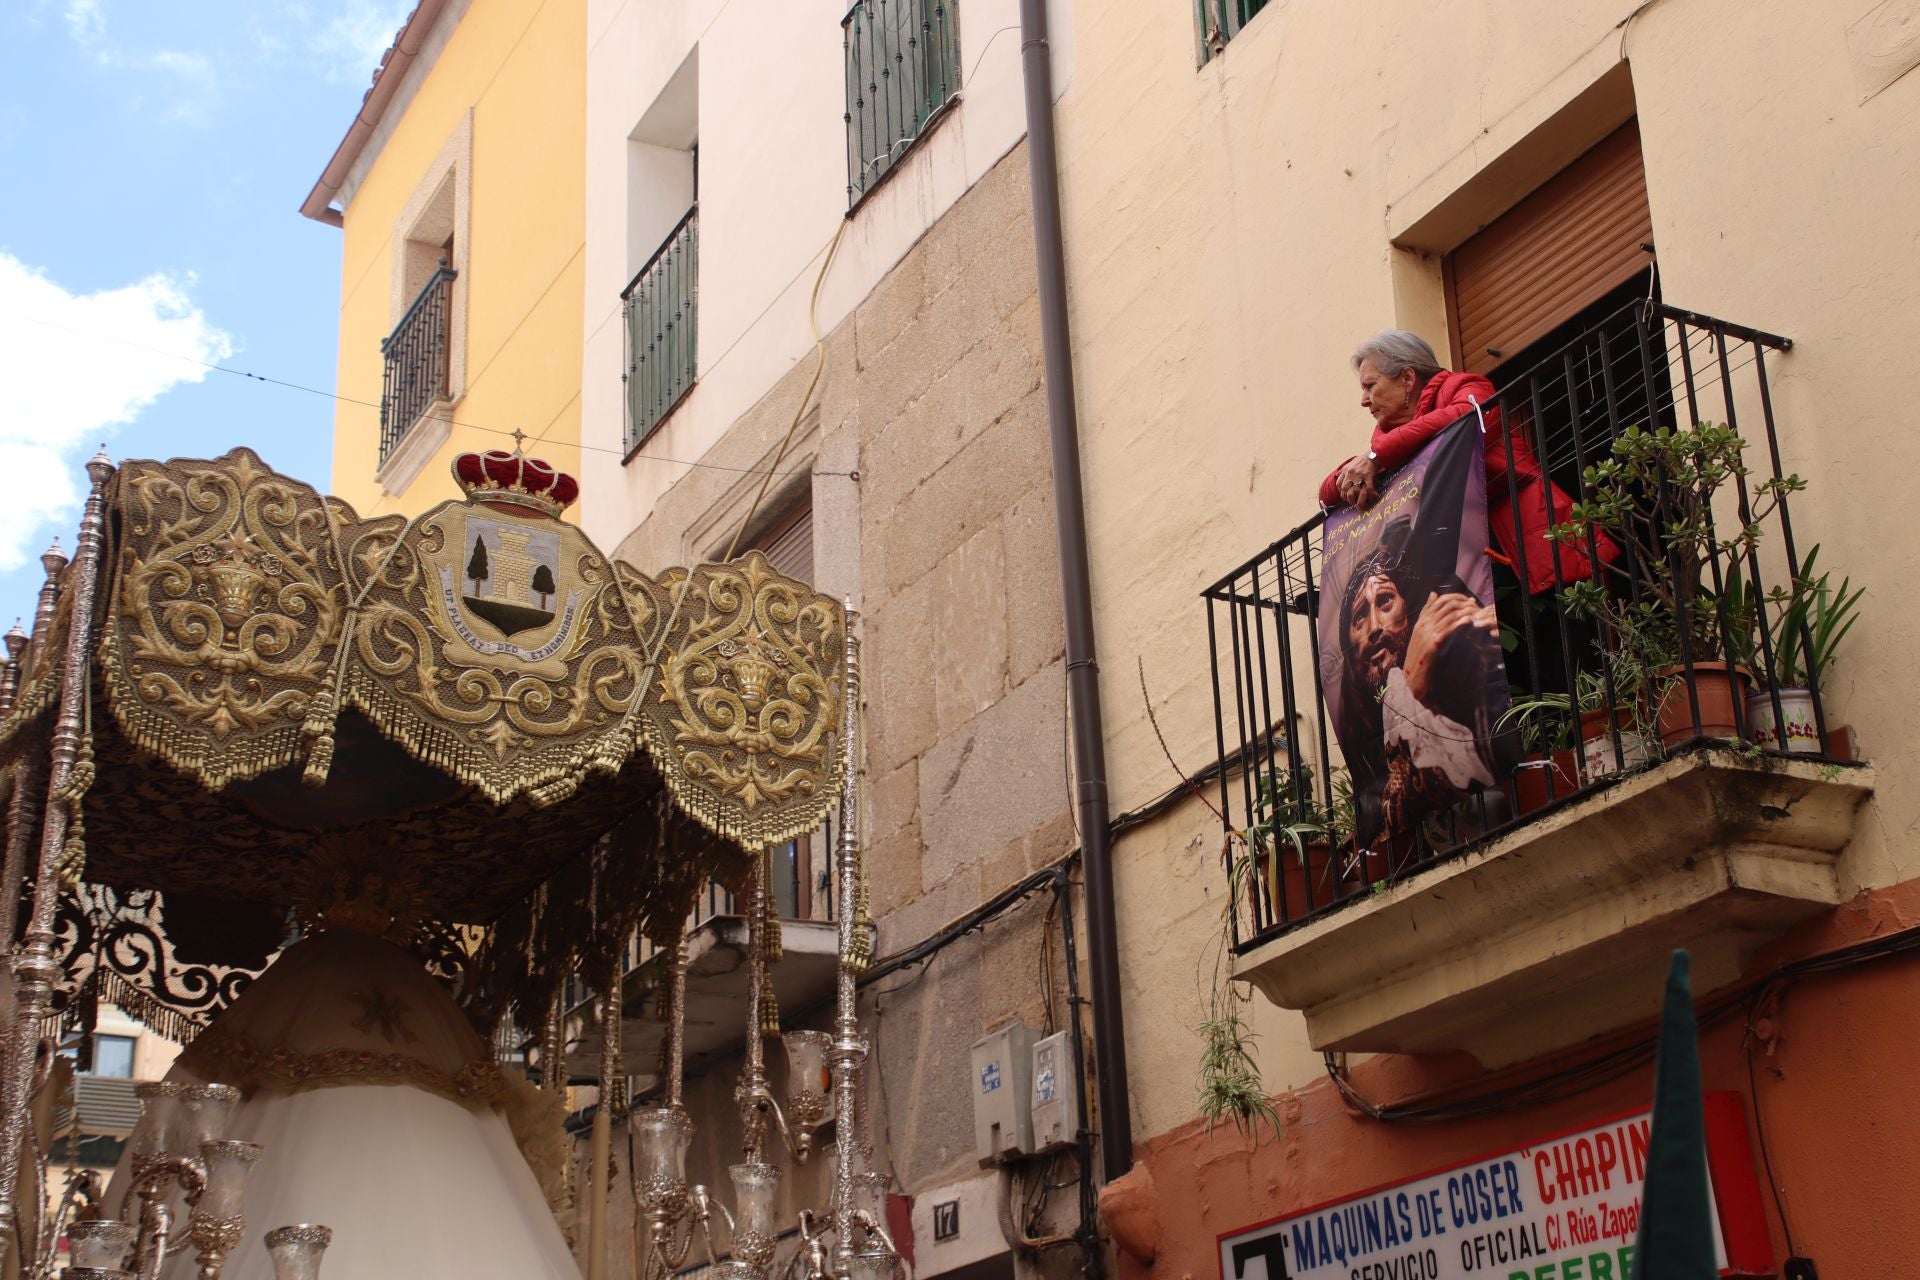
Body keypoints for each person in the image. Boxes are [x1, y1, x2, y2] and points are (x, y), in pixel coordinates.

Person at [1319, 330, 1610, 596]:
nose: (1364, 400)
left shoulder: (1466, 387)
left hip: (1528, 546)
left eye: (1370, 386)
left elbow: (1470, 420)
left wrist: (1377, 456)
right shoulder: (1388, 444)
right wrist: (1367, 463)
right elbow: (1326, 494)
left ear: (1407, 379)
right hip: (1468, 571)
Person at [1336, 538, 1506, 848]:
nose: (1374, 627)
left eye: (1385, 601)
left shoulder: (1460, 680)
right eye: (1359, 616)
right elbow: (1391, 812)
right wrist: (1407, 688)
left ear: (1410, 609)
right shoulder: (1360, 738)